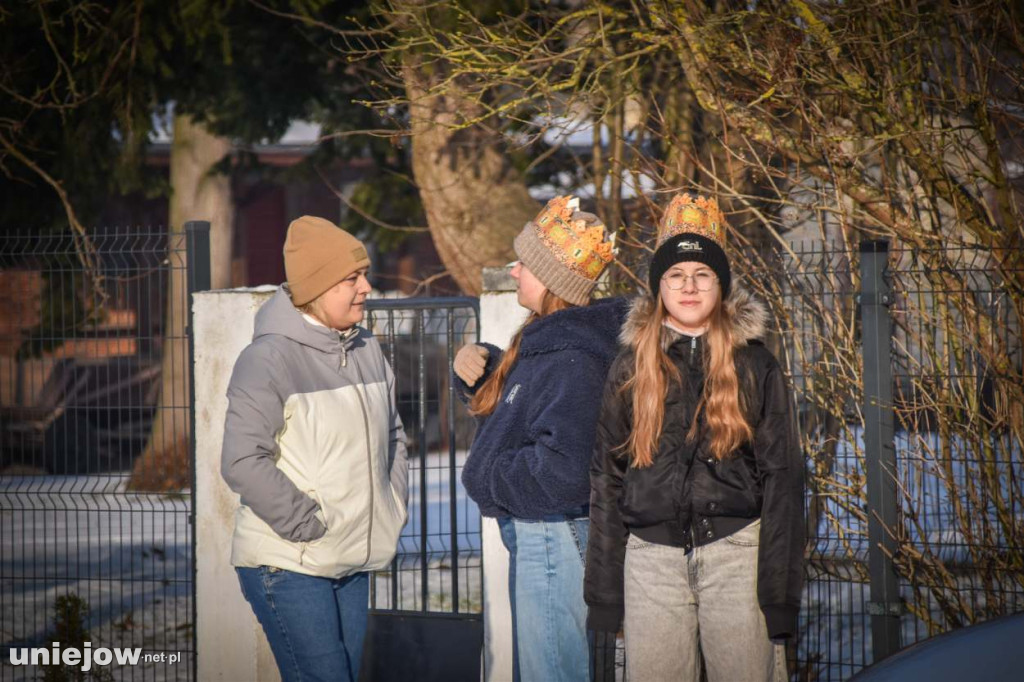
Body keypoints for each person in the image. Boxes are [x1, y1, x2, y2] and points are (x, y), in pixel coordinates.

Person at [584, 194, 805, 682]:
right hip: (649, 564)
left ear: (720, 286)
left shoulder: (756, 365)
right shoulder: (628, 368)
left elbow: (783, 479)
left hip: (737, 558)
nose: (688, 286)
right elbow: (607, 478)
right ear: (658, 287)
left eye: (702, 274)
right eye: (675, 275)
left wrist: (779, 596)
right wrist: (605, 597)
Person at [221, 215, 409, 682]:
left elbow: (394, 437)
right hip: (290, 563)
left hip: (350, 558)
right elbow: (243, 461)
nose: (366, 287)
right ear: (316, 287)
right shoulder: (268, 358)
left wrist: (392, 504)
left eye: (364, 274)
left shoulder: (366, 347)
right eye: (351, 278)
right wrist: (307, 524)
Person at [453, 195, 626, 682]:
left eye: (524, 263)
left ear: (552, 278)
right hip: (541, 529)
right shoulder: (548, 340)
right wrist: (479, 369)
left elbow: (565, 472)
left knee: (550, 671)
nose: (512, 271)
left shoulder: (572, 355)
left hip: (551, 533)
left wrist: (491, 475)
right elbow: (517, 418)